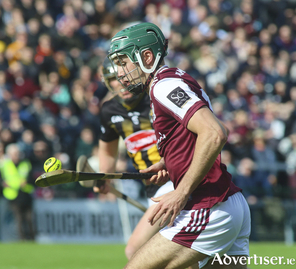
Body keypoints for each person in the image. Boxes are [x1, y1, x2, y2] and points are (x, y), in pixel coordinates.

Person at [107, 22, 251, 269]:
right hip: (229, 203)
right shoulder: (174, 79)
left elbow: (215, 133)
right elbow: (196, 138)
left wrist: (181, 191)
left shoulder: (165, 87)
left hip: (208, 207)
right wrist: (169, 162)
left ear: (146, 57)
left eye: (123, 62)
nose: (119, 72)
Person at [87, 58, 173, 260]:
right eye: (114, 79)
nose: (121, 84)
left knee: (134, 250)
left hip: (174, 180)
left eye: (124, 78)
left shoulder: (156, 98)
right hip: (151, 188)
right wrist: (104, 179)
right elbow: (107, 151)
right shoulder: (109, 110)